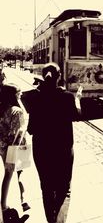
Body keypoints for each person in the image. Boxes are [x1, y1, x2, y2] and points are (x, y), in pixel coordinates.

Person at [21, 62, 82, 223]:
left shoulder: (35, 97)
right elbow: (77, 116)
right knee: (64, 189)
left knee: (46, 187)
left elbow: (31, 129)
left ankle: (51, 220)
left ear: (43, 77)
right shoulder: (67, 97)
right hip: (63, 149)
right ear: (59, 77)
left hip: (42, 150)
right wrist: (78, 100)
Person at [0, 84, 29, 213]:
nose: (20, 94)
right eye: (18, 92)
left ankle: (21, 200)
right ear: (12, 94)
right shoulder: (16, 111)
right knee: (15, 173)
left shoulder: (2, 108)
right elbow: (16, 133)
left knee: (12, 173)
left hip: (3, 146)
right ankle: (5, 206)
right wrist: (14, 153)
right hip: (16, 146)